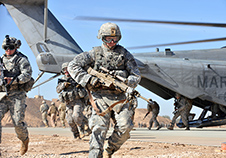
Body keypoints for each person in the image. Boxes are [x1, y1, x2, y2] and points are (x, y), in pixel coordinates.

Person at [68, 22, 141, 158]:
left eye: (115, 39)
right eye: (108, 39)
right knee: (98, 129)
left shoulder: (124, 54)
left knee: (125, 128)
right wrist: (89, 79)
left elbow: (136, 75)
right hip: (99, 97)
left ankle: (110, 148)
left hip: (120, 96)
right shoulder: (94, 54)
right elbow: (73, 66)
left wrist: (126, 82)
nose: (112, 42)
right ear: (102, 38)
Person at [0, 35, 32, 155]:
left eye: (11, 47)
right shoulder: (1, 60)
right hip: (2, 94)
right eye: (5, 47)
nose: (8, 50)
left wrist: (13, 80)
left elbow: (27, 74)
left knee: (18, 121)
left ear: (16, 47)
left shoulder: (21, 59)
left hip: (17, 94)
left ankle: (24, 140)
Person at [56, 62, 91, 139]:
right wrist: (64, 85)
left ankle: (82, 130)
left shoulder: (76, 78)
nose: (66, 71)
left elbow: (85, 89)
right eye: (64, 70)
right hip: (68, 102)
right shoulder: (62, 80)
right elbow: (58, 90)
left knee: (76, 115)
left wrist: (79, 86)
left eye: (67, 69)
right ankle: (76, 135)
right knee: (70, 120)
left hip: (77, 101)